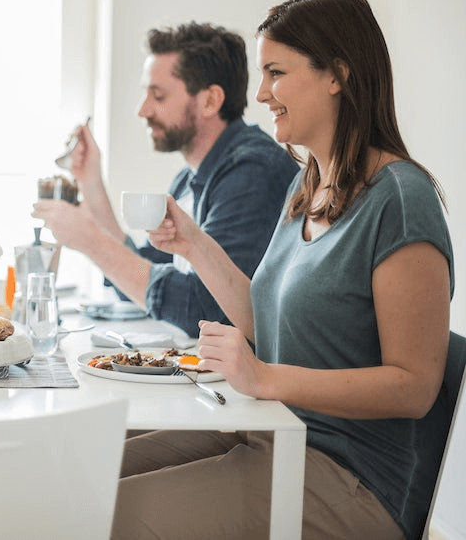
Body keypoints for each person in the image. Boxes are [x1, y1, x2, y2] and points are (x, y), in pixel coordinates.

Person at [111, 0, 453, 540]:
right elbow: (261, 320)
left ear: (337, 74)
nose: (263, 92)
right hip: (272, 431)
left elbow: (414, 386)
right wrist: (193, 243)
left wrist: (266, 378)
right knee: (90, 470)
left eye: (276, 72)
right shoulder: (307, 184)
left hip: (350, 477)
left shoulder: (400, 200)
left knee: (112, 515)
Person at [33, 23, 298, 336]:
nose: (142, 110)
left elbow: (204, 312)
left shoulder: (251, 173)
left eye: (157, 96)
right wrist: (91, 183)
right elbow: (143, 278)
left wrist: (91, 241)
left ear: (210, 101)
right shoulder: (188, 179)